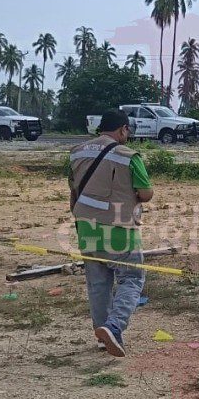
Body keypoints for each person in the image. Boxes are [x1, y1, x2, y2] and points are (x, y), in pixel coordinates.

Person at [68, 110, 154, 357]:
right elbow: (146, 193)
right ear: (123, 129)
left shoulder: (77, 152)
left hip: (86, 226)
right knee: (132, 278)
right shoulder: (128, 156)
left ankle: (102, 335)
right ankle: (114, 327)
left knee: (98, 284)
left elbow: (73, 187)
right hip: (119, 228)